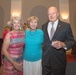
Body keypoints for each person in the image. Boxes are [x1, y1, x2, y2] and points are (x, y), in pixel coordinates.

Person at [42, 6, 75, 75]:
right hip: (46, 60)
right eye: (49, 14)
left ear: (58, 14)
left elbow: (71, 41)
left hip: (59, 60)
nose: (51, 16)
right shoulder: (43, 26)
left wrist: (63, 44)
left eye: (53, 13)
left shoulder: (66, 26)